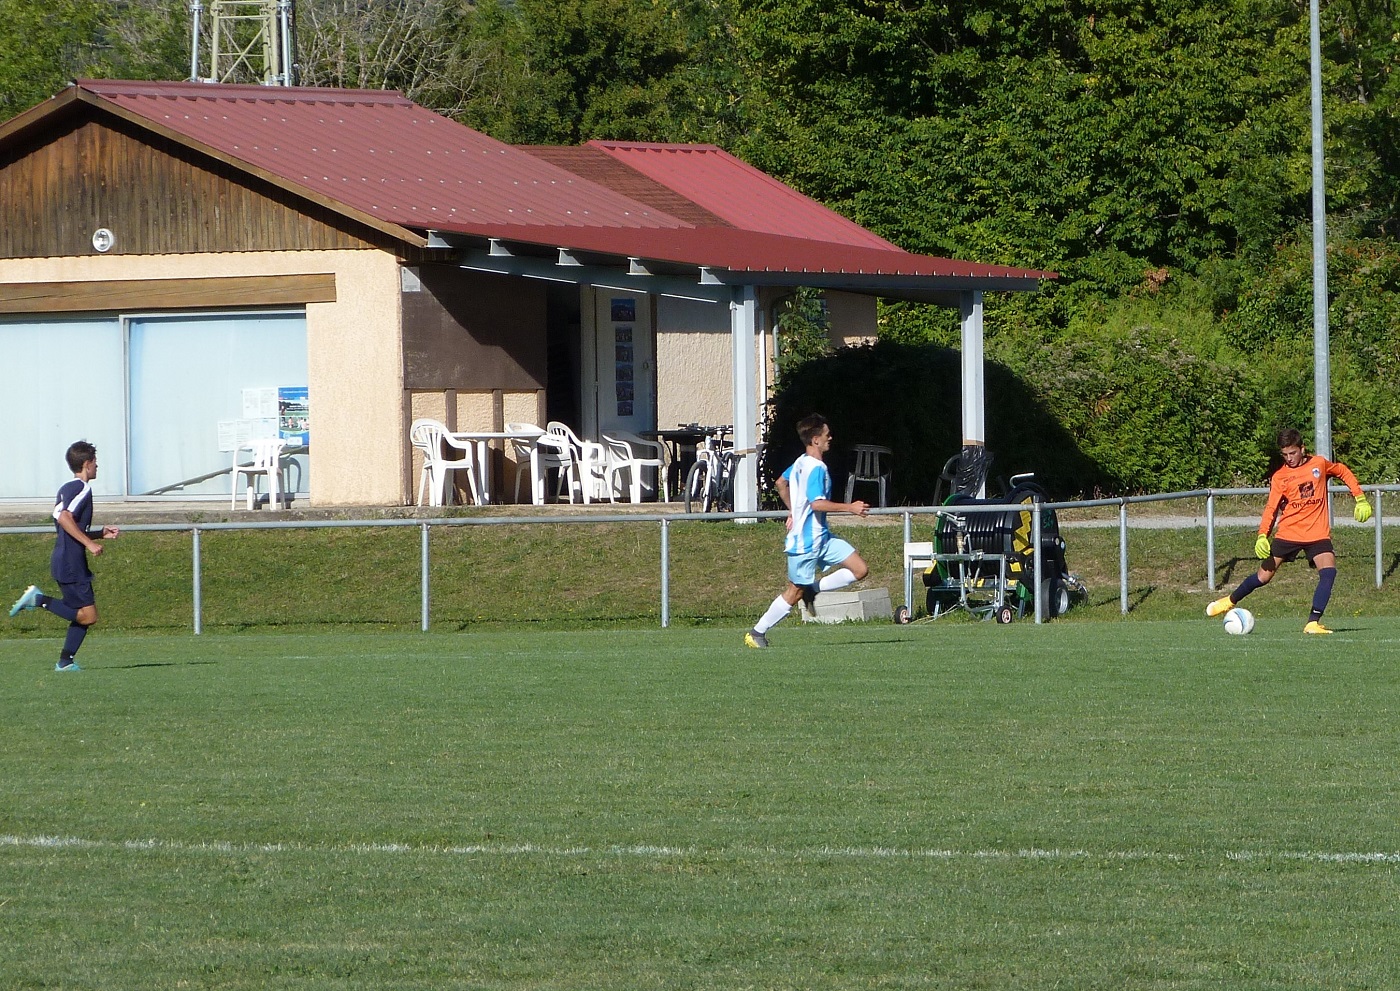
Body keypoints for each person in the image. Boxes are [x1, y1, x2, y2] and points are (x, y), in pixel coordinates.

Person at [1206, 428, 1370, 635]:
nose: (1289, 458)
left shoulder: (1319, 464)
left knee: (1329, 572)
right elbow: (1271, 508)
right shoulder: (1280, 477)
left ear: (1302, 449)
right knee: (1263, 577)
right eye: (1285, 454)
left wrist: (1360, 498)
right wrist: (1262, 535)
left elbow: (1342, 471)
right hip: (1289, 533)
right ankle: (1229, 601)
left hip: (1317, 534)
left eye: (1293, 453)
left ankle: (1312, 623)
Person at [745, 414, 870, 648]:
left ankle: (812, 590)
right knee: (794, 592)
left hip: (822, 537)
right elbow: (817, 504)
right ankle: (756, 632)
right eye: (826, 434)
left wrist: (794, 511)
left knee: (860, 569)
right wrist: (850, 507)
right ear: (815, 440)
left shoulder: (801, 461)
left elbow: (781, 483)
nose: (830, 438)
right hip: (805, 543)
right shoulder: (816, 468)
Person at [8, 440, 120, 670]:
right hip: (71, 562)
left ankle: (65, 662)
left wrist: (99, 534)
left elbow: (68, 525)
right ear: (87, 464)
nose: (97, 466)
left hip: (65, 558)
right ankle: (37, 600)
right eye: (95, 462)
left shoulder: (66, 488)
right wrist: (90, 543)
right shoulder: (82, 488)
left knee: (82, 614)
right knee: (89, 616)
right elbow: (64, 518)